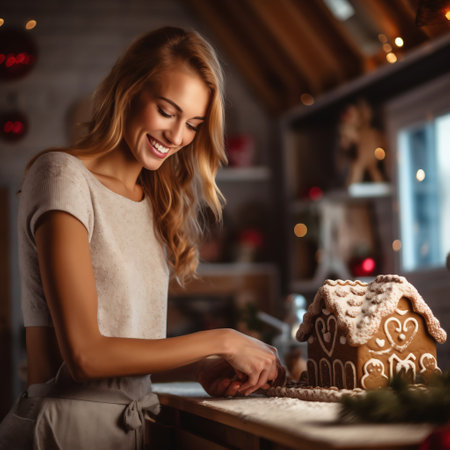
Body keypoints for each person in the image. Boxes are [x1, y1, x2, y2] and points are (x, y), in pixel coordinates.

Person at [0, 26, 285, 449]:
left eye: (192, 124)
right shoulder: (62, 176)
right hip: (62, 431)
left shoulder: (153, 202)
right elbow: (85, 357)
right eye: (167, 111)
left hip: (129, 431)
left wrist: (198, 367)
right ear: (128, 91)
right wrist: (222, 339)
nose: (177, 137)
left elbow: (123, 358)